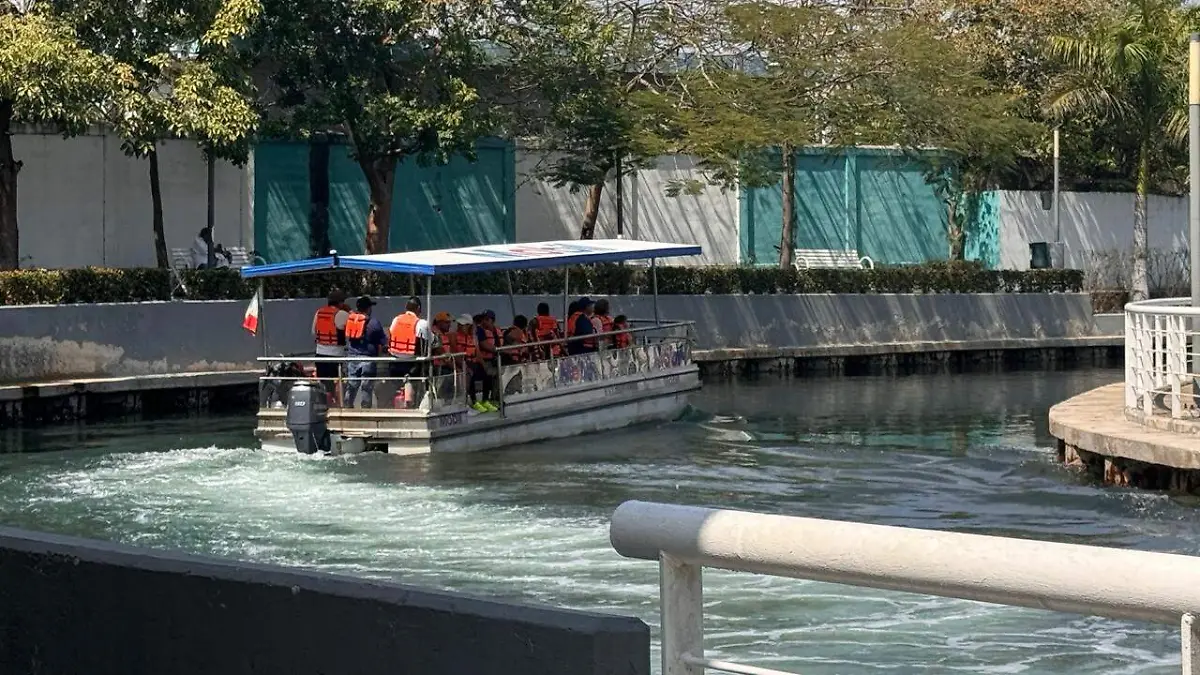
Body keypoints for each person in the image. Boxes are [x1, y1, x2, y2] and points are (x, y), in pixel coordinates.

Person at [387, 297, 434, 408]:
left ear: (406, 308)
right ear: (418, 309)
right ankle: (413, 405)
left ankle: (399, 403)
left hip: (395, 363)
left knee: (399, 387)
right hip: (412, 364)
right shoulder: (421, 323)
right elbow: (432, 341)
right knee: (418, 379)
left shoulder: (396, 320)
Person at [343, 296, 386, 408]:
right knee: (366, 387)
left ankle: (347, 407)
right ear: (368, 308)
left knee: (351, 385)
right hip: (368, 359)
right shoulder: (374, 323)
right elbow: (384, 341)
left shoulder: (351, 320)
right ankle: (365, 410)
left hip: (352, 357)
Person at [312, 290, 350, 390]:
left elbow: (313, 331)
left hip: (320, 355)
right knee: (338, 385)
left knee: (323, 384)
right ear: (340, 303)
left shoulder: (319, 312)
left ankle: (325, 401)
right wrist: (350, 312)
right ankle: (337, 402)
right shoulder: (342, 314)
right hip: (336, 356)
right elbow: (353, 328)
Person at [473, 310, 503, 413]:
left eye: (487, 319)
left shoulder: (494, 330)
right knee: (486, 379)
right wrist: (497, 350)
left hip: (493, 359)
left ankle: (492, 399)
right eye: (483, 319)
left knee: (493, 379)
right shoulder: (480, 331)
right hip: (483, 360)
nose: (484, 322)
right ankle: (481, 401)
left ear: (492, 321)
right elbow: (484, 345)